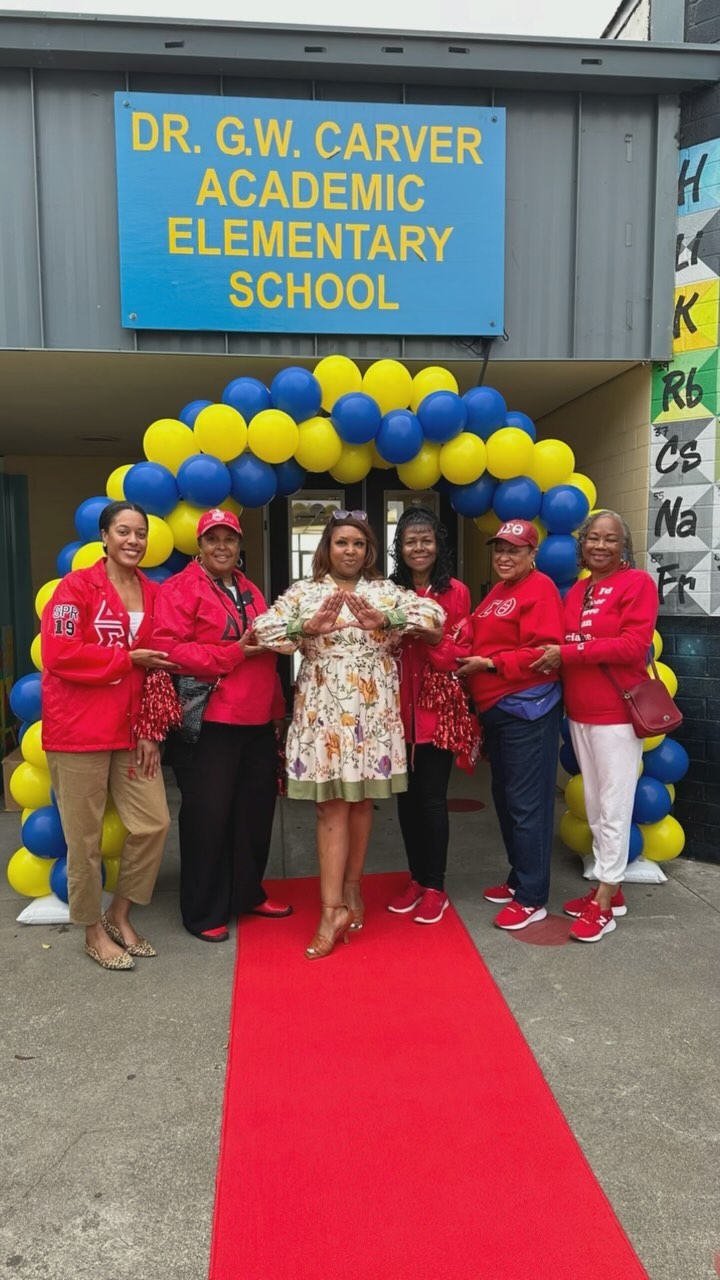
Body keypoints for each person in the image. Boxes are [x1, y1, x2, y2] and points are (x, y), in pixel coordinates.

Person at [252, 511, 445, 959]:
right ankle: (330, 908)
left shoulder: (384, 591)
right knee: (329, 809)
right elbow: (263, 629)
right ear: (328, 548)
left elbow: (434, 617)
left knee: (360, 803)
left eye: (358, 544)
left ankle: (352, 888)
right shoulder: (306, 592)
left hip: (373, 716)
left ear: (368, 551)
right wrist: (306, 628)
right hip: (323, 715)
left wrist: (388, 617)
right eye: (342, 543)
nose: (350, 551)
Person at [41, 501, 173, 970]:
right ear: (104, 536)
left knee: (153, 821)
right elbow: (61, 655)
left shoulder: (152, 593)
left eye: (140, 533)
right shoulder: (75, 589)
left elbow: (157, 666)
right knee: (85, 838)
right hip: (78, 733)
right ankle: (93, 930)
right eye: (123, 531)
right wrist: (126, 660)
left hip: (132, 731)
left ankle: (120, 912)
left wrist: (150, 728)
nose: (133, 541)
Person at [152, 509, 290, 943]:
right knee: (207, 818)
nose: (222, 547)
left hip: (256, 718)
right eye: (213, 539)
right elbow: (168, 648)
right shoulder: (179, 588)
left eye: (229, 539)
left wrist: (278, 711)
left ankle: (247, 892)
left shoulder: (248, 588)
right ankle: (202, 910)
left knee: (254, 812)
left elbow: (265, 648)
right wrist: (233, 654)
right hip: (209, 720)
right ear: (199, 545)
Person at [530, 510, 659, 943]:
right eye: (593, 539)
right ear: (582, 543)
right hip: (580, 714)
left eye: (611, 539)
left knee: (615, 808)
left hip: (618, 715)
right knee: (598, 807)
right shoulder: (580, 589)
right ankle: (610, 889)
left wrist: (568, 653)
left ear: (625, 547)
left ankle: (603, 904)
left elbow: (632, 646)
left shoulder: (637, 584)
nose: (600, 546)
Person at [456, 519, 564, 931]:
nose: (503, 557)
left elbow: (544, 653)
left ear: (532, 554)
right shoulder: (499, 592)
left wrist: (490, 663)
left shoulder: (541, 589)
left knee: (527, 804)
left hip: (528, 710)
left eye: (514, 550)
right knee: (505, 799)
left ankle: (534, 896)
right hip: (497, 710)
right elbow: (481, 635)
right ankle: (520, 878)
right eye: (499, 549)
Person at [386, 506, 471, 924]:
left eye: (426, 540)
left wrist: (436, 640)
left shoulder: (455, 591)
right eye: (410, 541)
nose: (418, 548)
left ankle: (436, 885)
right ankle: (416, 877)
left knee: (433, 800)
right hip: (396, 711)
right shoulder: (388, 592)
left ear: (438, 545)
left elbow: (461, 652)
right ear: (399, 548)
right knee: (406, 800)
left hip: (437, 711)